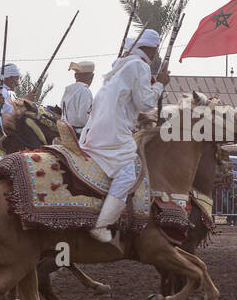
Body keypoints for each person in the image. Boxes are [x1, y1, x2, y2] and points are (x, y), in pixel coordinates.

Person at [81, 29, 168, 243]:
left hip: (97, 130)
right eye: (156, 49)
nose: (156, 53)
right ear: (152, 48)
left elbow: (125, 103)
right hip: (112, 135)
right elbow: (146, 102)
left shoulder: (121, 66)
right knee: (127, 174)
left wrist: (138, 120)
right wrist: (160, 84)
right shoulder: (139, 65)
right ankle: (101, 225)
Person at [60, 61, 95, 137]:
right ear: (91, 76)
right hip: (80, 135)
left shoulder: (68, 91)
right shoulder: (85, 91)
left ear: (75, 76)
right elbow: (84, 119)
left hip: (66, 133)